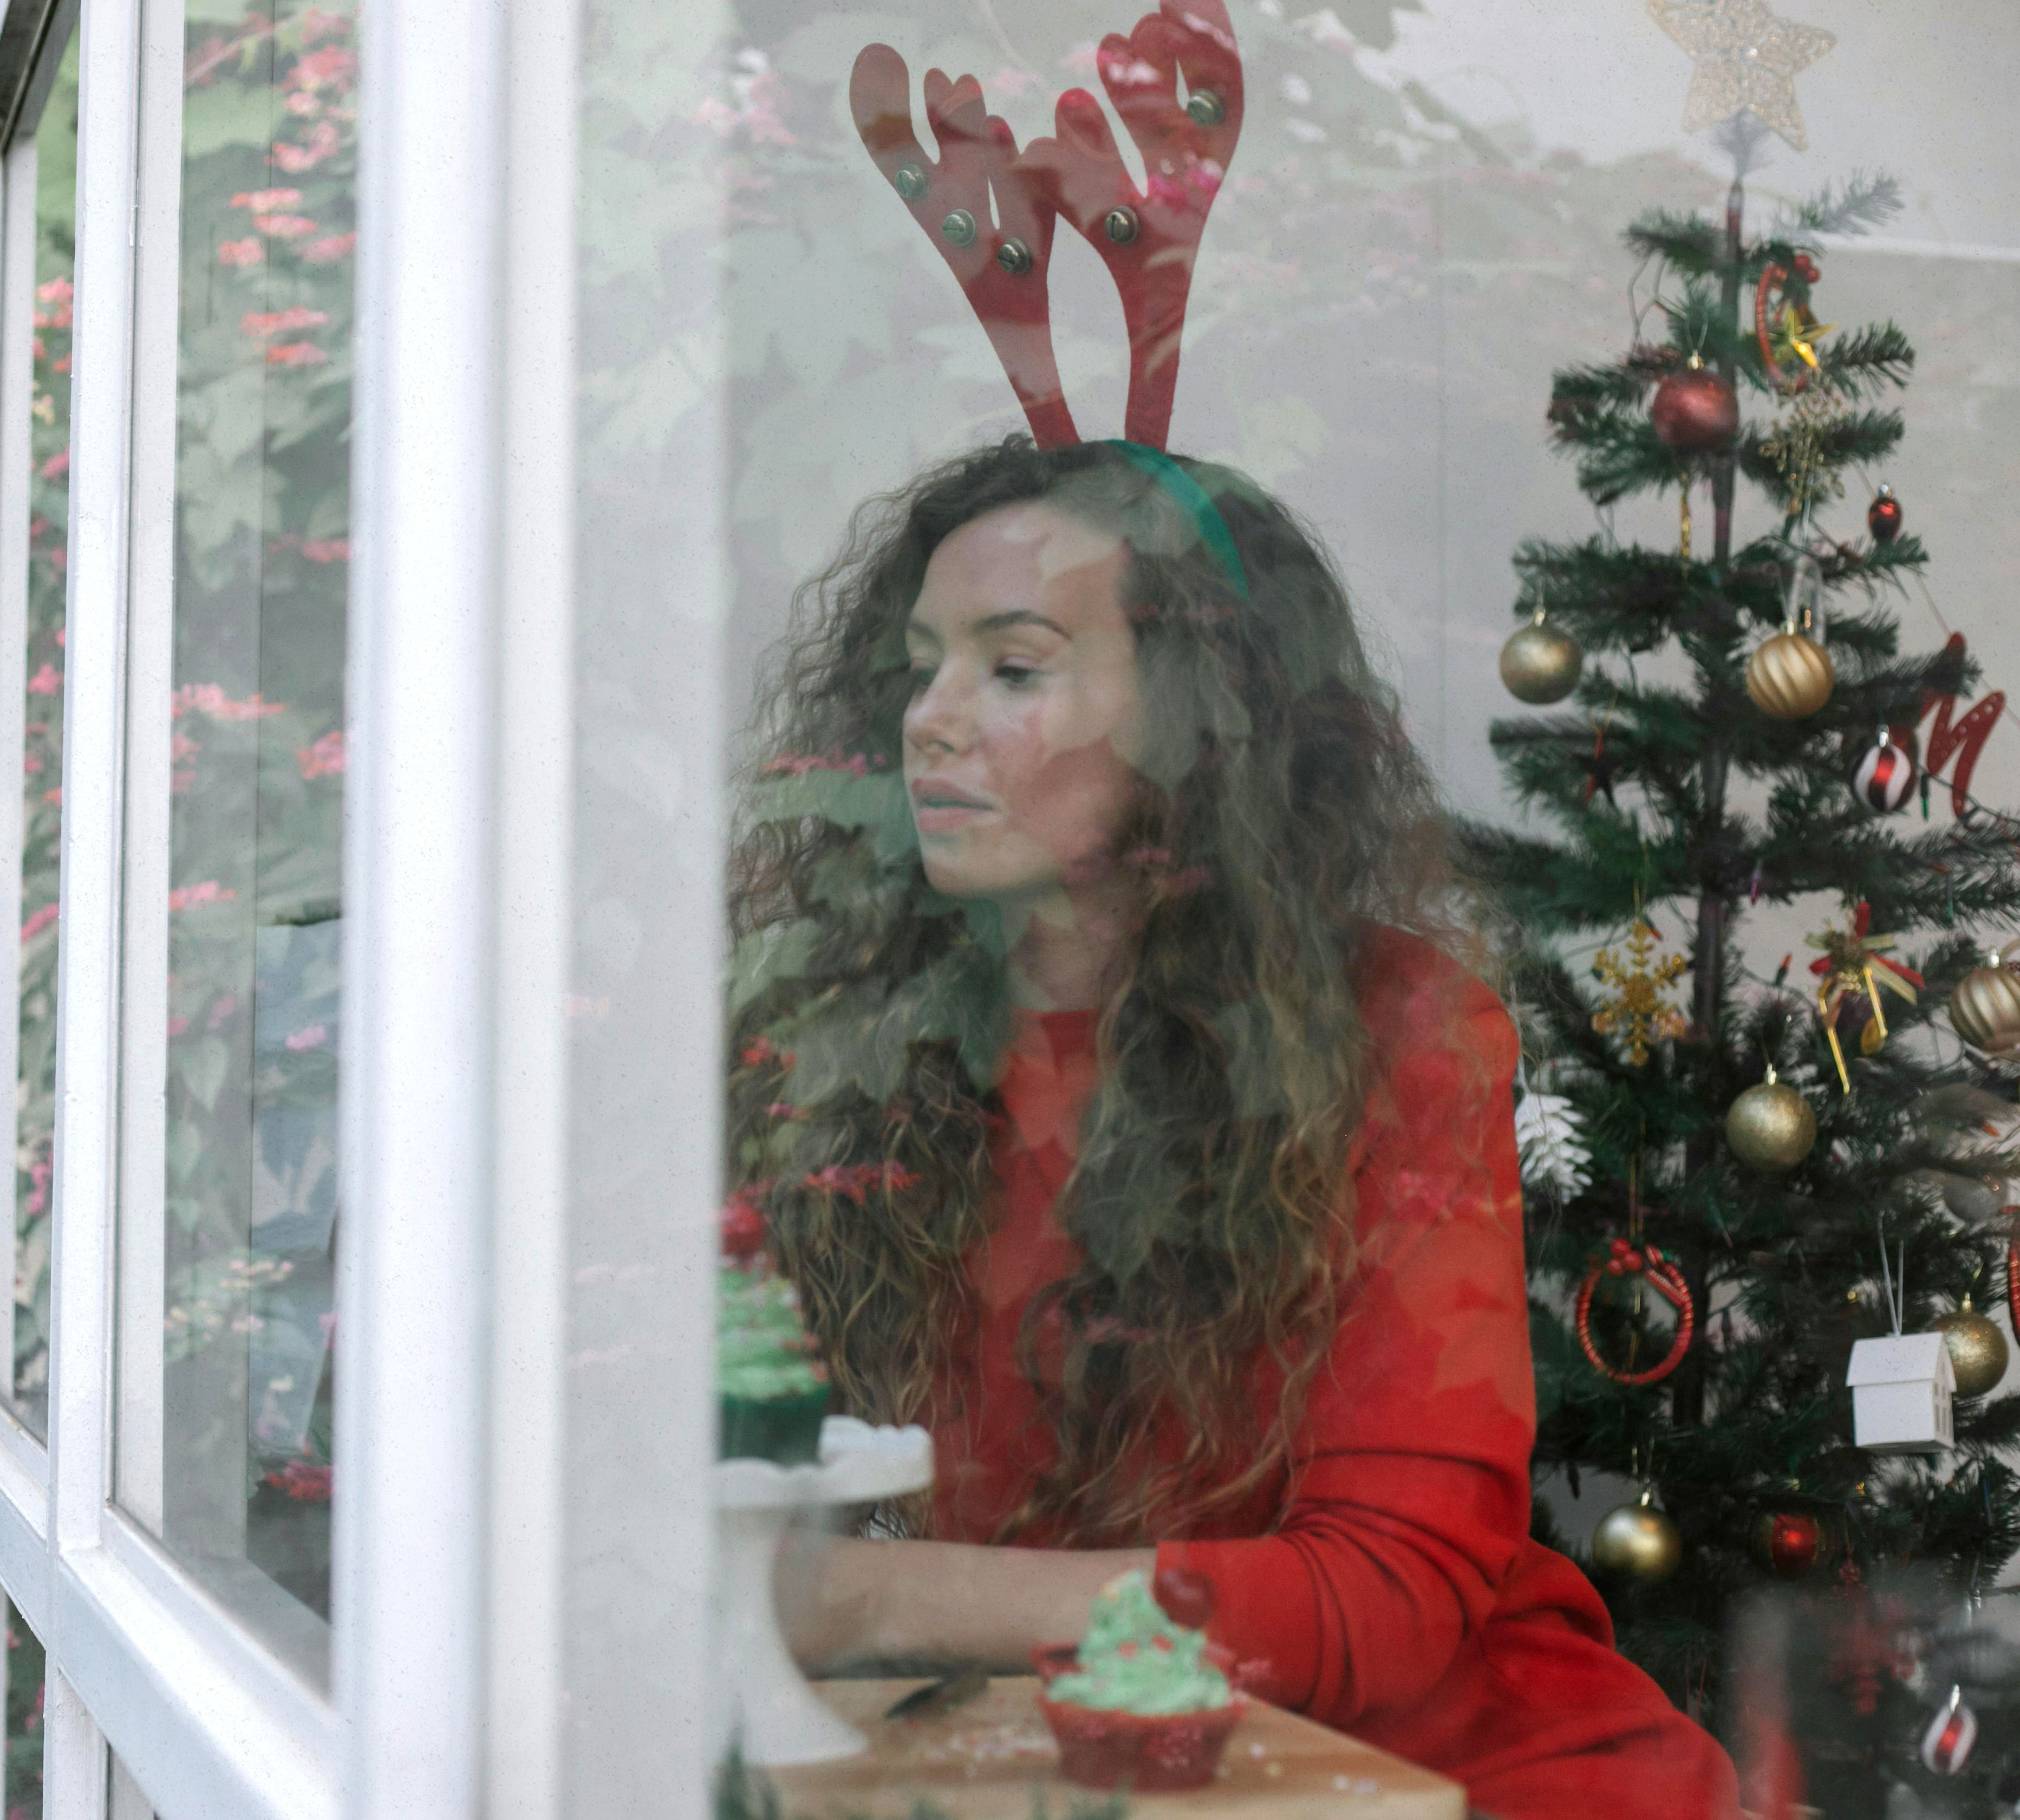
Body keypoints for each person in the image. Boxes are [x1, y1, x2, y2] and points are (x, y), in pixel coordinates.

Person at [725, 437, 1739, 1819]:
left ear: (1201, 722)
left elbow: (1385, 1596)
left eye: (1014, 668)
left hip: (1444, 1777)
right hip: (1073, 1770)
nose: (931, 719)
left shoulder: (1397, 1030)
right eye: (922, 665)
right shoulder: (846, 1039)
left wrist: (861, 1600)